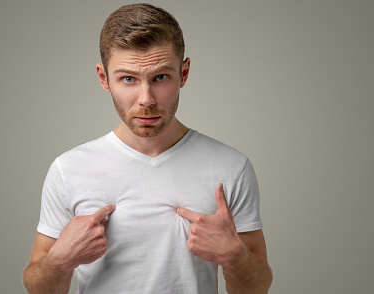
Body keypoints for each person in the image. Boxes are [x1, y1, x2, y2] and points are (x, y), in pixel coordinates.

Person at [23, 3, 272, 293]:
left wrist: (234, 257)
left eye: (161, 77)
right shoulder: (68, 170)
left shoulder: (231, 167)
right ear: (104, 78)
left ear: (184, 72)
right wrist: (60, 262)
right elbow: (37, 287)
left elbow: (257, 288)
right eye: (128, 78)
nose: (146, 99)